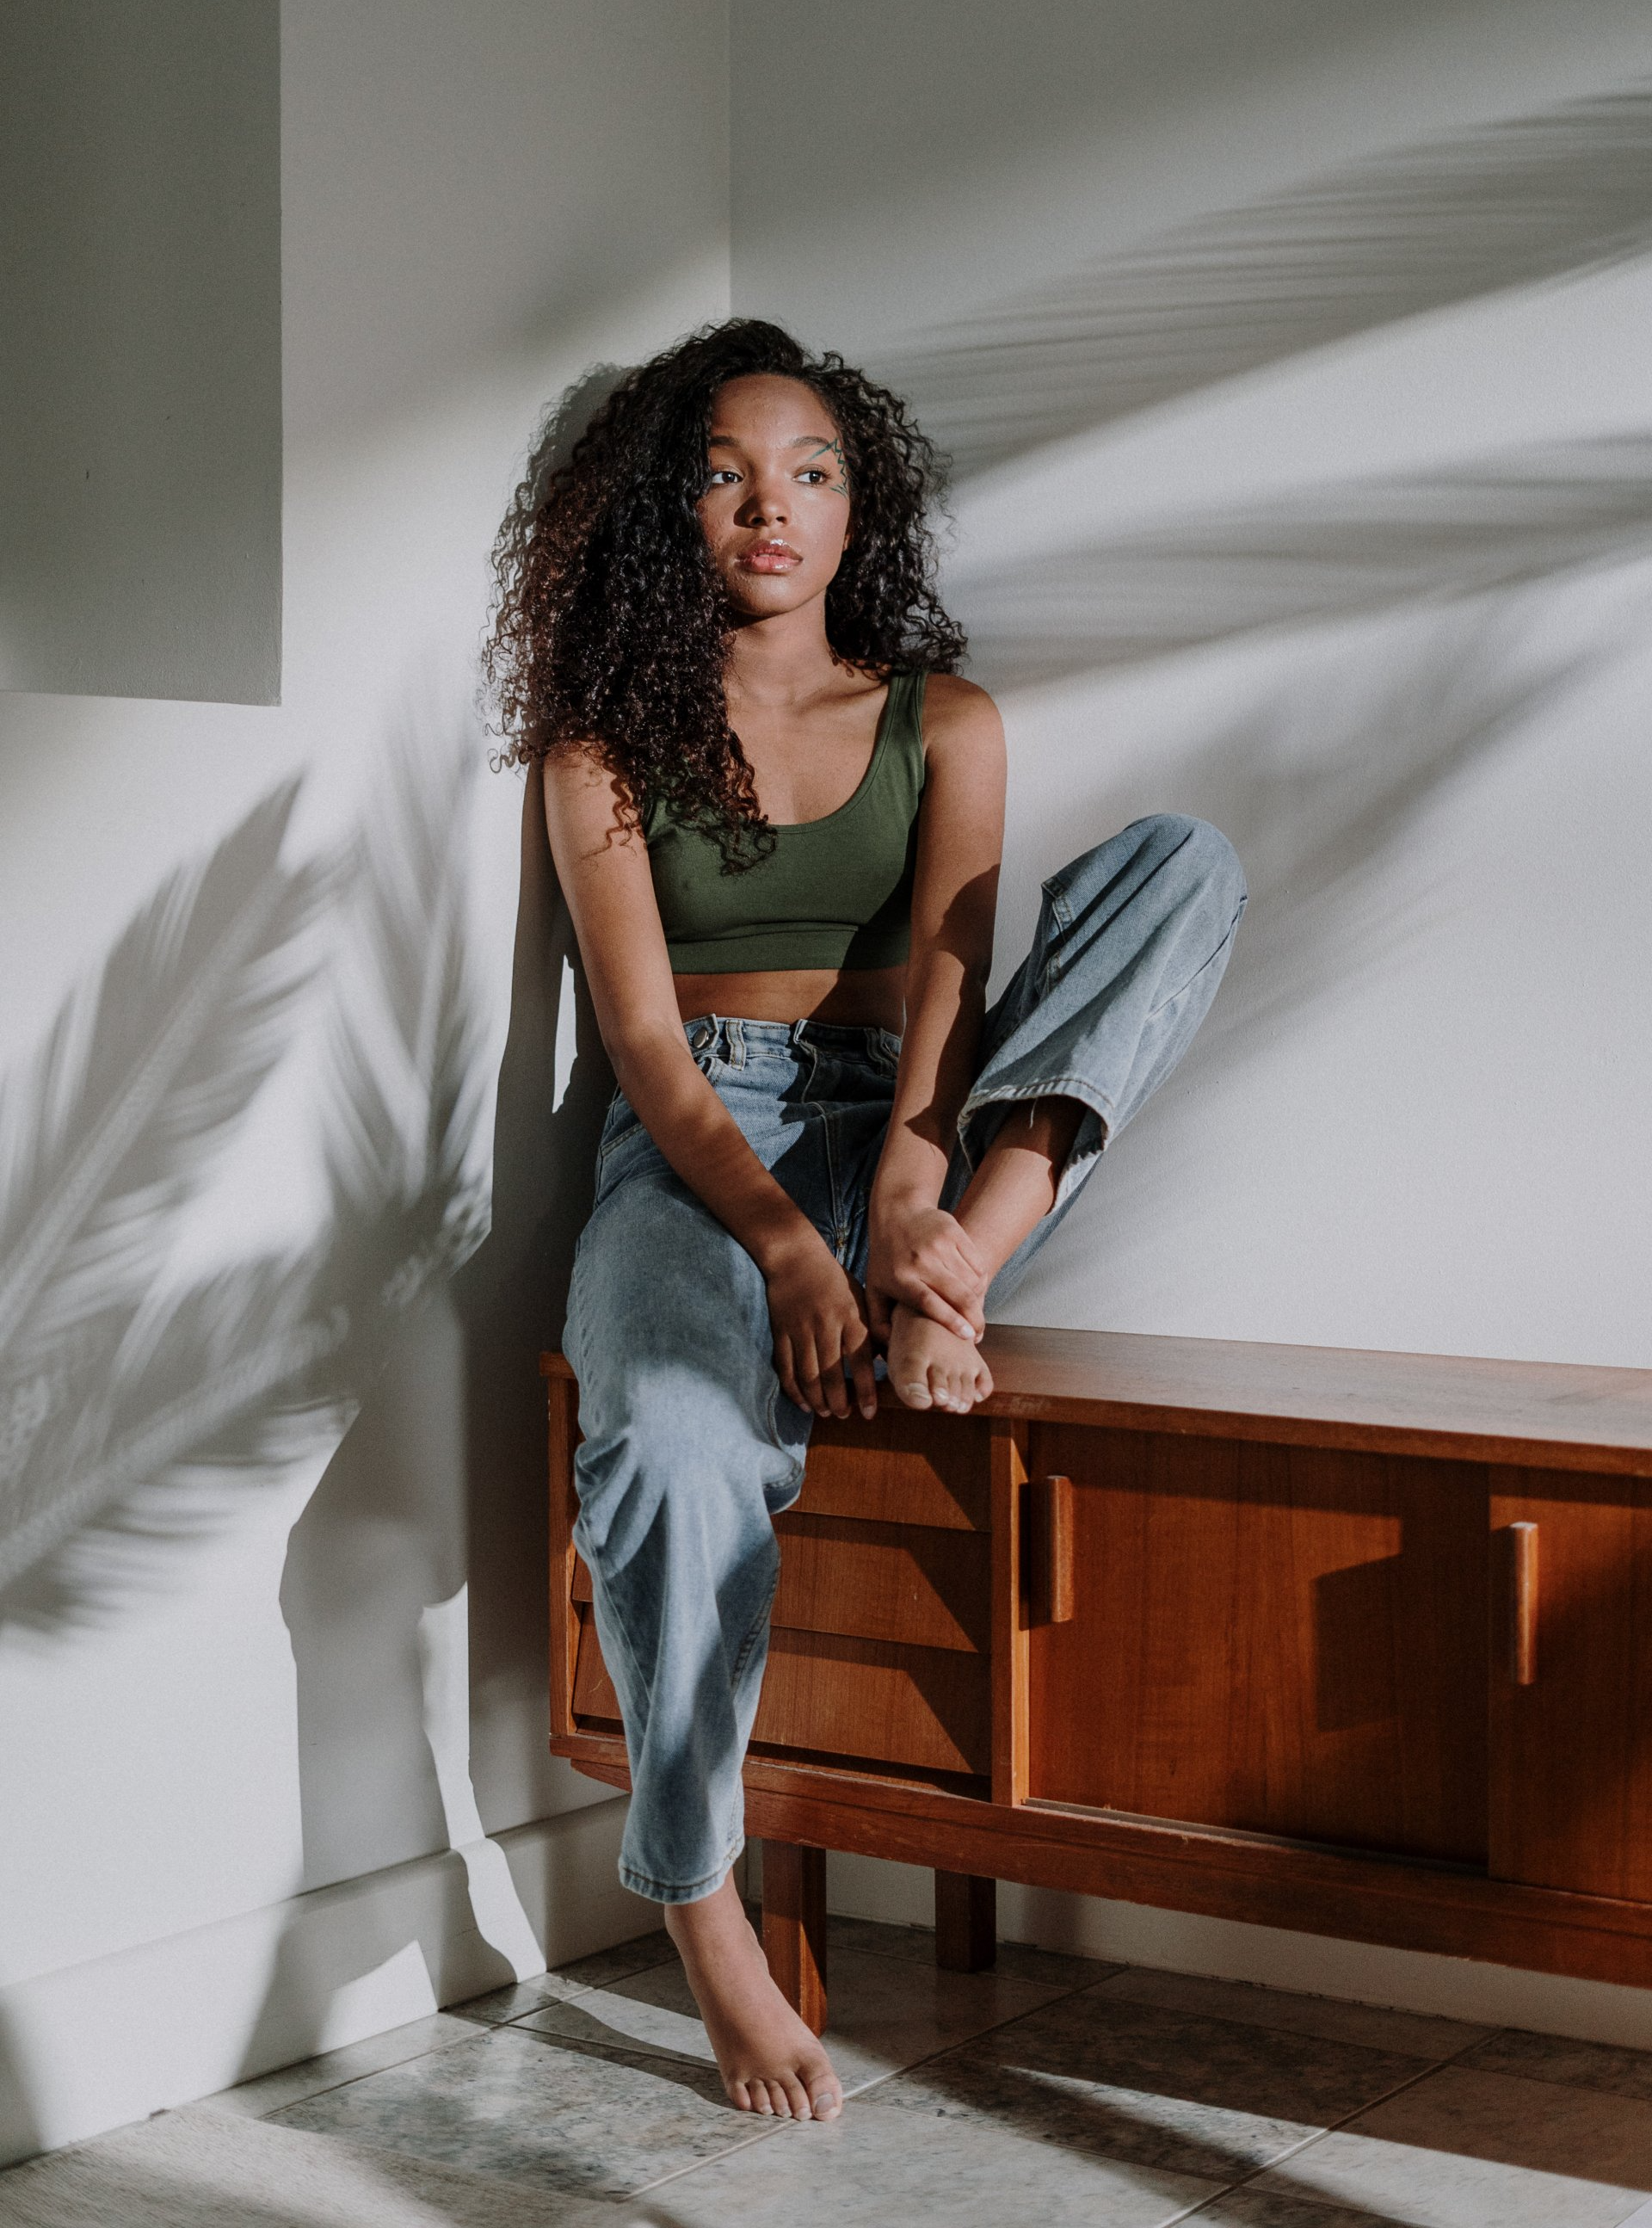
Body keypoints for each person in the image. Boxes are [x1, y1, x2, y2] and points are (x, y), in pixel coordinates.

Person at [486, 319, 1245, 2125]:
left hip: (924, 1132)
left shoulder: (942, 719)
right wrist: (798, 1252)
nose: (774, 505)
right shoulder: (600, 754)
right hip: (702, 1161)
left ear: (860, 507)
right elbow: (652, 1060)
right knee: (664, 1438)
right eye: (730, 472)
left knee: (1182, 866)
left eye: (814, 470)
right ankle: (700, 1900)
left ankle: (959, 1269)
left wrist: (910, 1197)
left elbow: (957, 993)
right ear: (676, 513)